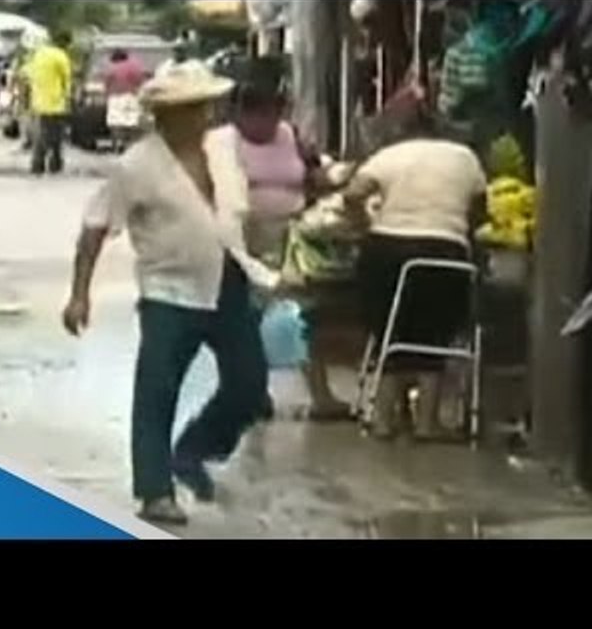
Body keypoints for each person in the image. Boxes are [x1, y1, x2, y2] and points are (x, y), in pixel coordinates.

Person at [62, 62, 280, 525]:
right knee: (157, 391)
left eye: (201, 108)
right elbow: (95, 226)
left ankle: (194, 450)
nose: (200, 117)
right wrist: (80, 294)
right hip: (169, 291)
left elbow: (236, 214)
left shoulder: (222, 153)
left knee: (249, 384)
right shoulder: (137, 165)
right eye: (188, 109)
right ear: (164, 115)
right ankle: (155, 490)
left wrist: (266, 264)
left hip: (229, 281)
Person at [343, 99, 488, 441]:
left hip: (386, 251)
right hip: (444, 252)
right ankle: (426, 423)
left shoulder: (390, 155)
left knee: (390, 330)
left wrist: (365, 223)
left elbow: (352, 194)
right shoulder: (465, 157)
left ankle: (382, 420)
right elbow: (480, 212)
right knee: (434, 333)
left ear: (401, 131)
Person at [226, 57, 351, 421]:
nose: (266, 122)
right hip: (244, 238)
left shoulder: (291, 136)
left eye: (272, 113)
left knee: (304, 317)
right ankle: (253, 392)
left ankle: (321, 395)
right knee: (248, 319)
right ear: (241, 113)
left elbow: (314, 174)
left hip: (293, 240)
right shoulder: (225, 145)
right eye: (258, 114)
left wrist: (334, 179)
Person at [26, 29, 73, 174]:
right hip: (56, 103)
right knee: (56, 136)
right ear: (65, 43)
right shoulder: (61, 56)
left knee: (41, 134)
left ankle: (37, 163)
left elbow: (29, 74)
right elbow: (67, 80)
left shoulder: (39, 54)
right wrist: (69, 98)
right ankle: (55, 163)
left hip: (37, 102)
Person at [101, 48, 146, 153]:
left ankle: (117, 146)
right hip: (131, 97)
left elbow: (107, 83)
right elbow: (140, 81)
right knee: (131, 121)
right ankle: (129, 146)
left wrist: (106, 94)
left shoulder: (112, 68)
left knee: (115, 123)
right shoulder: (135, 66)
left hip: (116, 98)